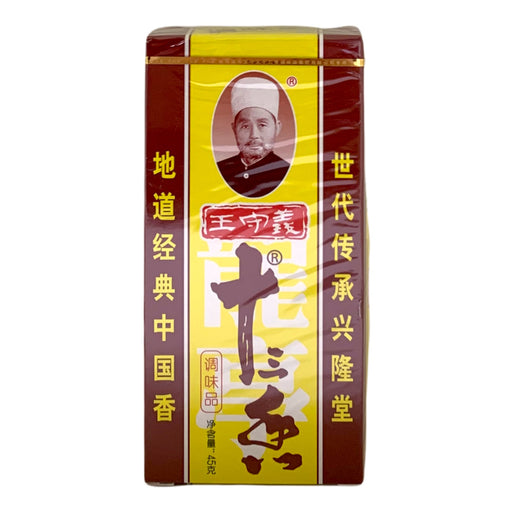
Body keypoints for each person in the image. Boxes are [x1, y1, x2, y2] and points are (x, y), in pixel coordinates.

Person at [217, 76, 290, 198]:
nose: (254, 135)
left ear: (277, 128)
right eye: (245, 126)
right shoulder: (220, 170)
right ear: (234, 129)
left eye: (262, 125)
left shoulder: (287, 173)